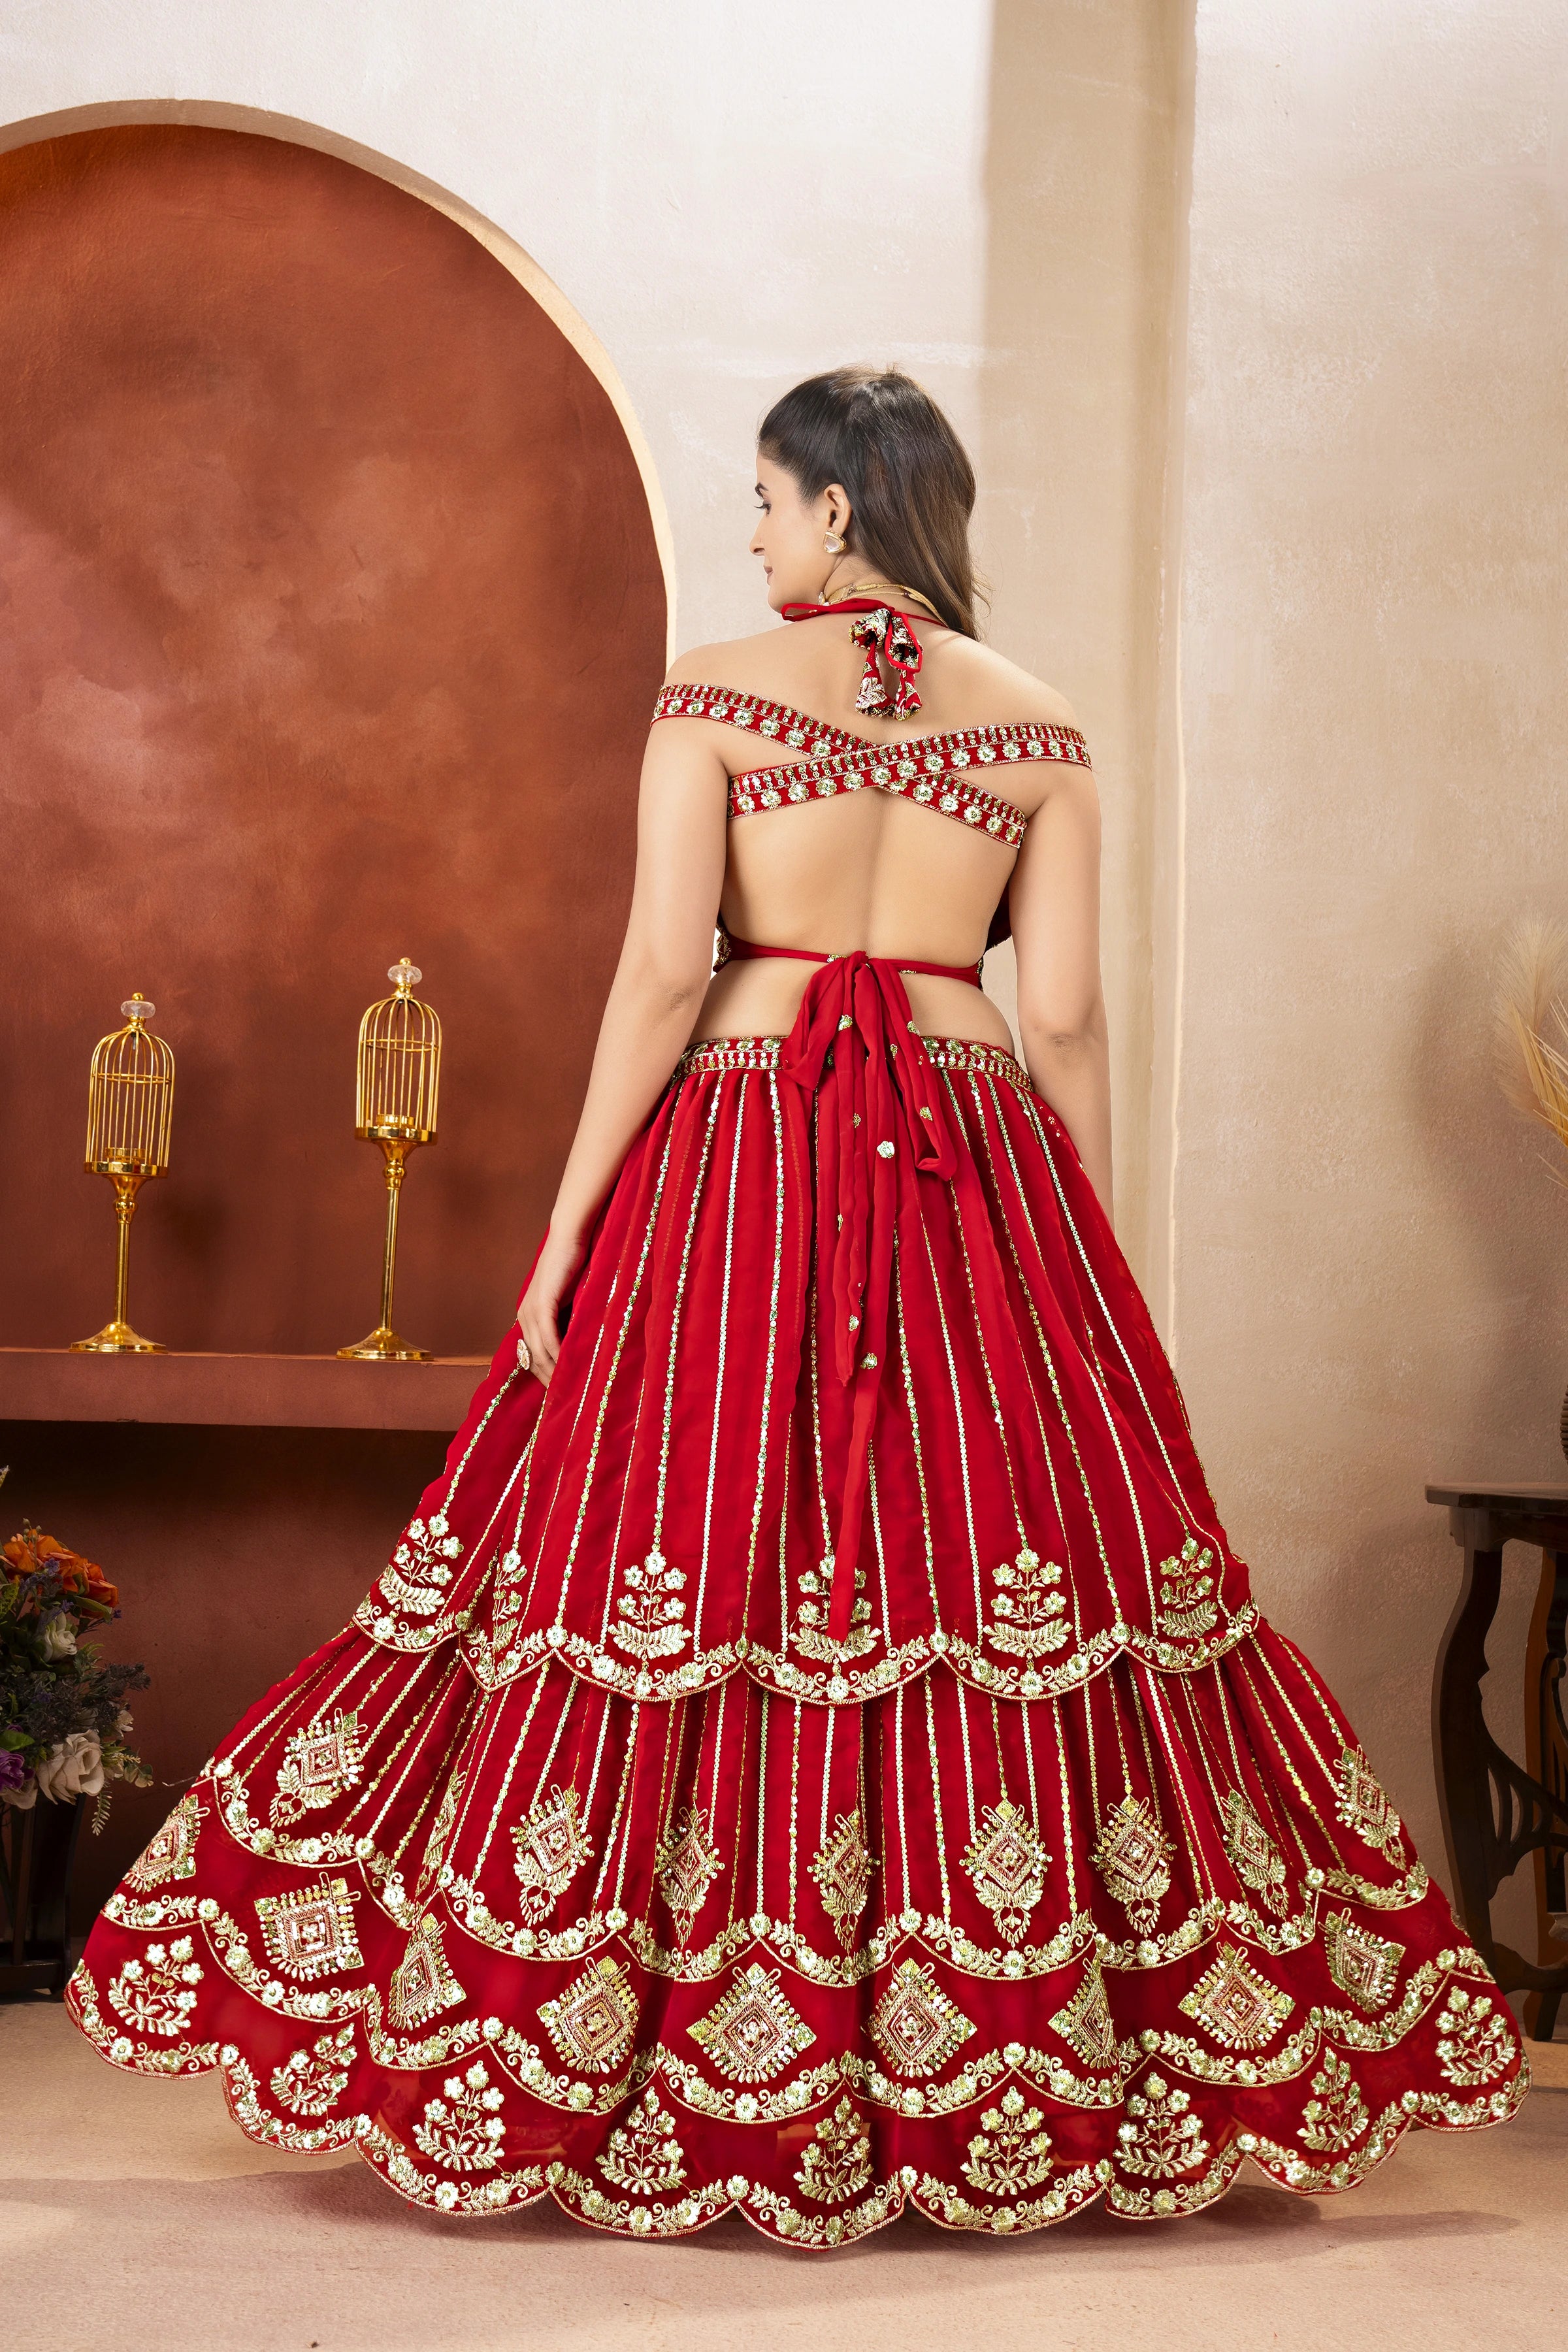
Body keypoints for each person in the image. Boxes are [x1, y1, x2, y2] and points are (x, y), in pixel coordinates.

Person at [69, 367, 1525, 2242]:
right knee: (986, 1560)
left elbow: (660, 980)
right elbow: (1065, 1011)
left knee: (681, 1542)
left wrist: (569, 1227)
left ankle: (616, 2039)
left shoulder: (717, 695)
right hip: (973, 1157)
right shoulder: (1045, 725)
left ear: (840, 511)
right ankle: (1019, 2057)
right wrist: (1081, 1250)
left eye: (765, 499)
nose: (750, 535)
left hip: (740, 1161)